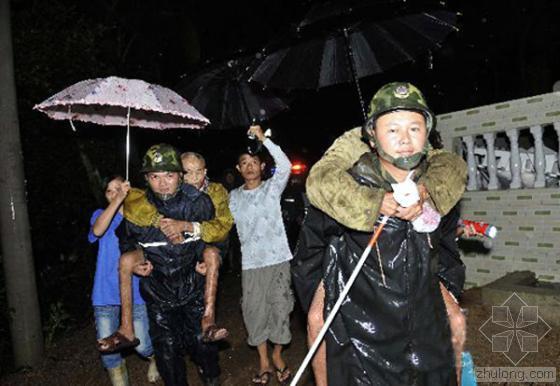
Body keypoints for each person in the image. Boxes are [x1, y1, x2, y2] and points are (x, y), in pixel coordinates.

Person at [293, 82, 467, 385]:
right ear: (372, 137)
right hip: (359, 297)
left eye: (414, 128)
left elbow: (447, 243)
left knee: (456, 320)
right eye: (392, 130)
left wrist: (447, 285)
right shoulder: (347, 183)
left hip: (421, 287)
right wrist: (370, 207)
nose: (404, 140)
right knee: (317, 322)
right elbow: (312, 244)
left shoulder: (439, 180)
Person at [97, 153, 232, 354]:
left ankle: (208, 321)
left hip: (195, 260)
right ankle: (126, 329)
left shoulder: (212, 195)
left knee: (211, 255)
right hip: (160, 265)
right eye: (187, 173)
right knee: (126, 260)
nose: (192, 178)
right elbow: (125, 235)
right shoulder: (148, 198)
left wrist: (189, 231)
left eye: (197, 172)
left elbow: (222, 230)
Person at [116, 144, 220, 386]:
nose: (163, 183)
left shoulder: (200, 203)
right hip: (159, 294)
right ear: (146, 178)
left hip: (193, 290)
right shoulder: (137, 209)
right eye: (155, 176)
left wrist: (207, 258)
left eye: (169, 175)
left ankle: (212, 379)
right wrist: (136, 264)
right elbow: (126, 242)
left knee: (202, 347)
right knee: (167, 353)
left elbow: (218, 238)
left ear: (180, 176)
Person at [229, 125, 294, 385]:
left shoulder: (271, 189)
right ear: (238, 169)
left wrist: (263, 139)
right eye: (244, 163)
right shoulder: (232, 198)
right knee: (254, 313)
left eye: (254, 162)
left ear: (262, 166)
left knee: (281, 310)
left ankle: (278, 355)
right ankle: (264, 362)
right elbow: (218, 223)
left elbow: (286, 166)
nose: (249, 166)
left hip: (278, 260)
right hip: (252, 265)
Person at [88, 176, 159, 385]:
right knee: (108, 351)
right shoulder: (100, 215)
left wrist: (148, 264)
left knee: (142, 345)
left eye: (118, 188)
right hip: (104, 293)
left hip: (134, 291)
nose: (114, 192)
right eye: (109, 191)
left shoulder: (138, 218)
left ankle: (154, 358)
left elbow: (150, 250)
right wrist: (118, 200)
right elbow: (97, 231)